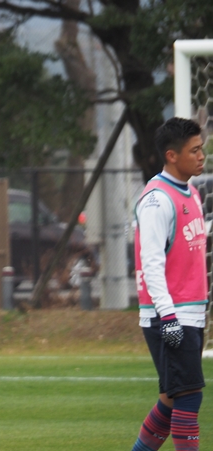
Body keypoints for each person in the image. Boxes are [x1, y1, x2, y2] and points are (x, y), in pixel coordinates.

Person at [132, 117, 207, 451]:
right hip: (172, 314)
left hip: (189, 312)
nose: (202, 156)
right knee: (189, 395)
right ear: (172, 155)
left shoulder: (191, 192)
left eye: (202, 148)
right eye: (194, 150)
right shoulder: (157, 199)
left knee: (171, 398)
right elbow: (151, 263)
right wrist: (169, 316)